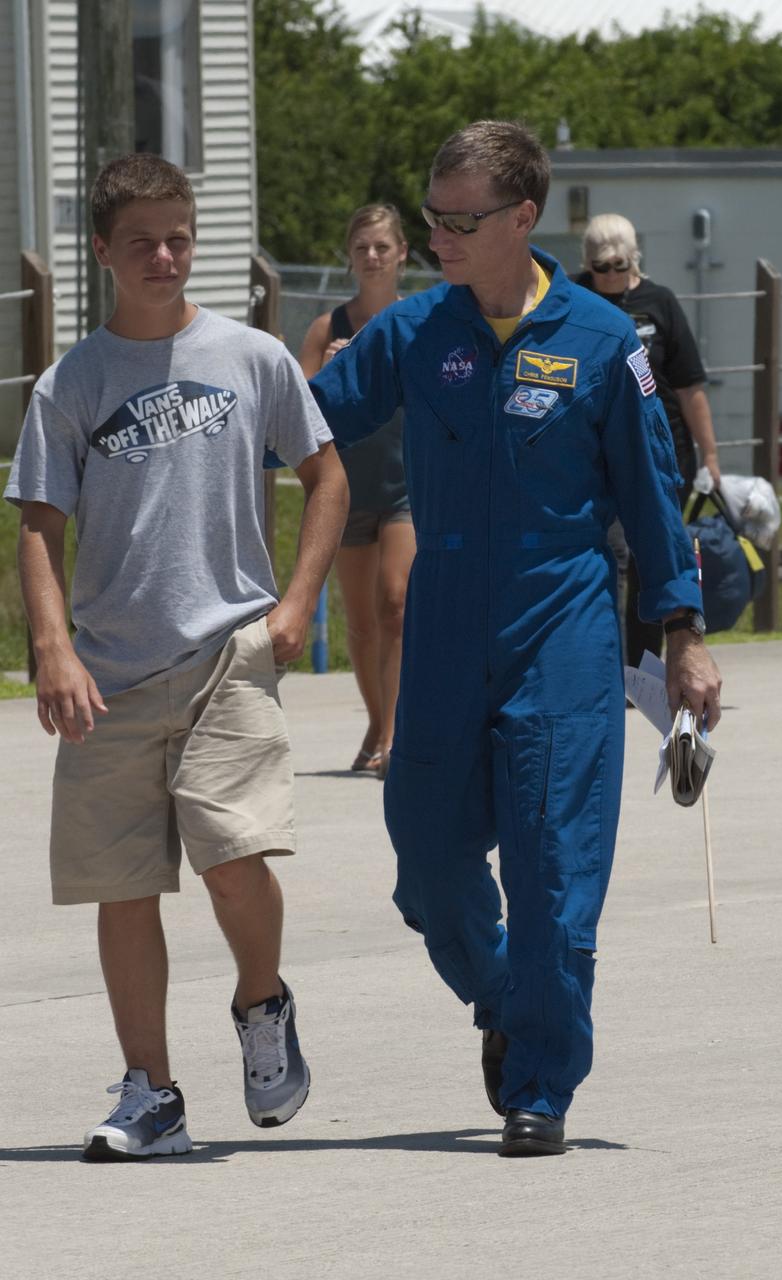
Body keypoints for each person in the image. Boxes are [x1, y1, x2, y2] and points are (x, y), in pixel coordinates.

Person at [309, 120, 722, 1157]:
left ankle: (540, 1080)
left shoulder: (599, 342)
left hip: (562, 637)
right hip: (445, 636)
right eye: (432, 217)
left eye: (458, 219)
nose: (436, 236)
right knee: (430, 869)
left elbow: (651, 493)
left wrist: (682, 633)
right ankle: (503, 999)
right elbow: (304, 420)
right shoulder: (414, 334)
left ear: (522, 219)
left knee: (551, 869)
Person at [3, 153, 348, 1160]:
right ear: (104, 251)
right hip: (109, 674)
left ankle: (260, 999)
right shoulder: (71, 384)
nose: (165, 255)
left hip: (228, 649)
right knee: (124, 886)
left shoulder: (253, 358)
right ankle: (151, 1091)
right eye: (144, 240)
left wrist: (297, 599)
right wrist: (53, 646)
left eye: (180, 237)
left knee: (235, 860)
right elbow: (37, 525)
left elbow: (327, 477)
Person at [574, 213, 722, 668]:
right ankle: (605, 663)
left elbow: (690, 385)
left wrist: (710, 455)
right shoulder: (574, 298)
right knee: (611, 556)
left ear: (634, 259)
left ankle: (641, 670)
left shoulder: (660, 301)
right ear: (588, 265)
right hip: (595, 454)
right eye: (602, 268)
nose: (611, 277)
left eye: (620, 266)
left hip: (661, 451)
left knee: (648, 560)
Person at [299, 205, 416, 777]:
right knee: (363, 621)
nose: (372, 257)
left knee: (396, 603)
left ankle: (393, 733)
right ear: (350, 256)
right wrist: (325, 373)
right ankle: (377, 720)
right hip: (346, 488)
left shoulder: (417, 321)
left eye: (382, 247)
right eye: (363, 247)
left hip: (405, 486)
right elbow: (296, 415)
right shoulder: (328, 327)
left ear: (402, 254)